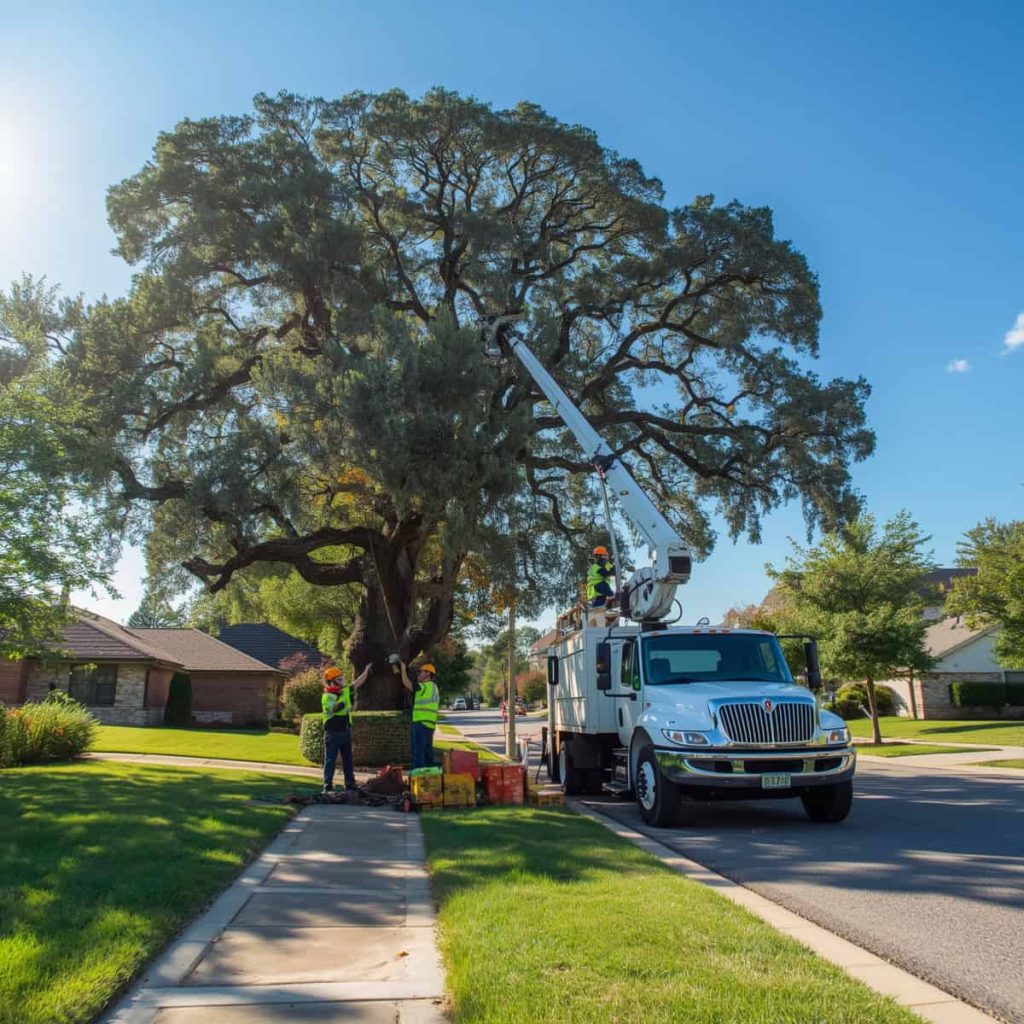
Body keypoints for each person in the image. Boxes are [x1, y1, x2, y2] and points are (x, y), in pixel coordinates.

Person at [321, 662, 372, 794]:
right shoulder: (327, 696)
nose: (342, 681)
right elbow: (334, 708)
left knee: (348, 760)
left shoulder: (344, 691)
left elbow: (357, 683)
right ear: (331, 682)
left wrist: (366, 671)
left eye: (342, 678)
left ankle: (350, 784)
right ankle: (327, 787)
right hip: (333, 732)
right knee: (330, 760)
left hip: (345, 730)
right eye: (339, 679)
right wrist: (347, 700)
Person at [399, 660, 440, 770]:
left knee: (418, 753)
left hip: (420, 723)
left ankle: (418, 776)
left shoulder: (424, 686)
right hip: (430, 725)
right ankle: (431, 775)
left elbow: (406, 683)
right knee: (427, 752)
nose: (419, 674)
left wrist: (403, 669)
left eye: (421, 672)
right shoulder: (434, 687)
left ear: (428, 673)